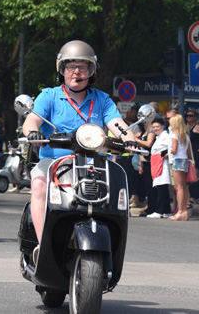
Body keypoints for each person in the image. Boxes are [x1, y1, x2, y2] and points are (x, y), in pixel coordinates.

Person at [22, 40, 133, 253]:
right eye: (70, 67)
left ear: (91, 71)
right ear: (62, 70)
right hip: (54, 161)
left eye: (83, 67)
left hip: (94, 162)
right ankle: (42, 245)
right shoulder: (49, 96)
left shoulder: (102, 99)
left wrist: (129, 138)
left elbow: (116, 123)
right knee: (38, 185)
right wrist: (32, 132)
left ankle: (113, 243)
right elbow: (32, 120)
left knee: (116, 190)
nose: (76, 72)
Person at [146, 117, 172, 218]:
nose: (155, 129)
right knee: (161, 188)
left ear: (162, 126)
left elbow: (173, 147)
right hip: (157, 164)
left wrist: (167, 154)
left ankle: (159, 211)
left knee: (162, 188)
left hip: (162, 164)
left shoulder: (166, 136)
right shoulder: (159, 137)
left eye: (157, 126)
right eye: (154, 127)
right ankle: (166, 210)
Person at [169, 115, 192, 221]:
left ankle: (180, 212)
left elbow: (174, 149)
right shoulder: (185, 135)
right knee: (183, 187)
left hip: (177, 160)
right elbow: (189, 153)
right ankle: (184, 211)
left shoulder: (174, 135)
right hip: (184, 160)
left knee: (178, 188)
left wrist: (168, 150)